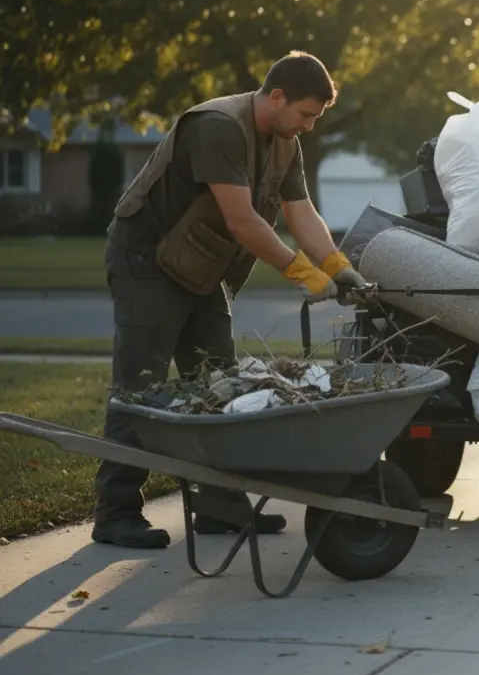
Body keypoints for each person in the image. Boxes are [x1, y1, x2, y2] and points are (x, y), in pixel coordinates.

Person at [93, 51, 368, 549]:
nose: (308, 126)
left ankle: (219, 508)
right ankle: (116, 513)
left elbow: (301, 211)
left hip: (197, 267)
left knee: (218, 382)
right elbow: (242, 220)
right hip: (146, 262)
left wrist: (336, 265)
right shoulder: (219, 126)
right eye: (306, 114)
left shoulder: (284, 142)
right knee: (140, 385)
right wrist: (300, 271)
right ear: (277, 96)